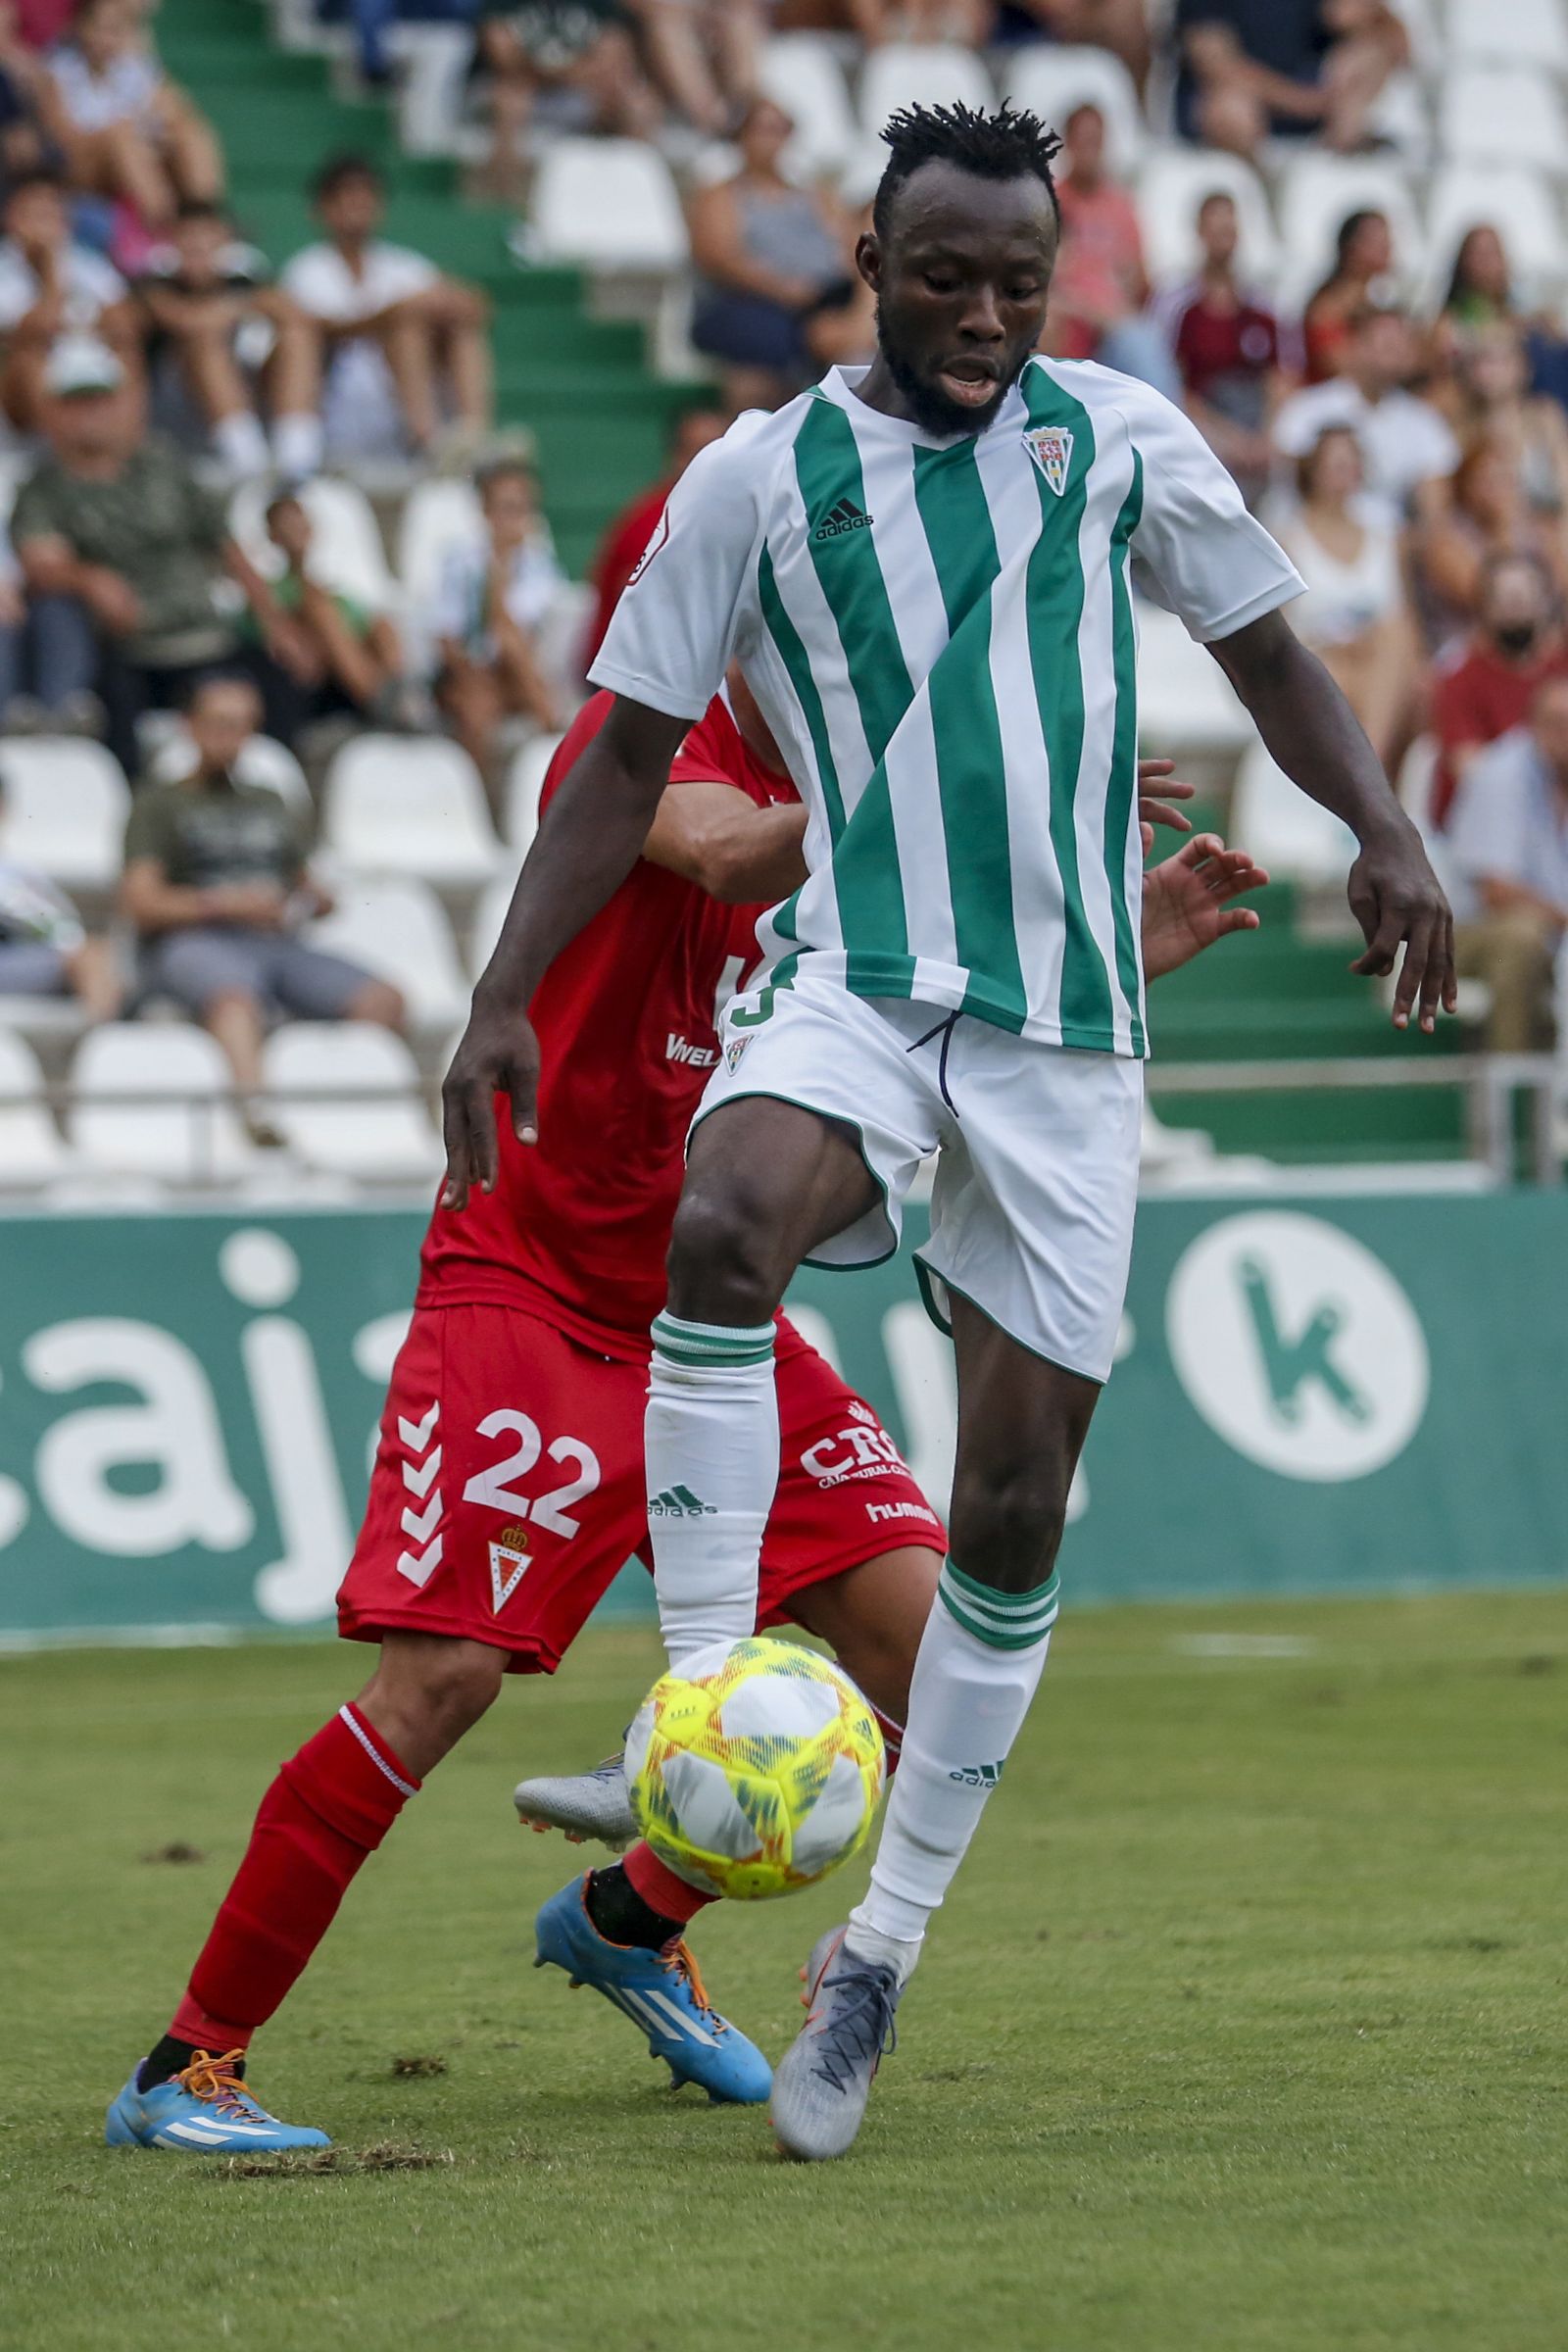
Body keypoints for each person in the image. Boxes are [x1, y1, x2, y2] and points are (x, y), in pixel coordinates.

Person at [441, 101, 1453, 2164]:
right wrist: (490, 1003)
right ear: (868, 257)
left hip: (1067, 1033)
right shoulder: (756, 475)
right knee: (723, 1224)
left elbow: (1265, 650)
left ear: (1056, 268)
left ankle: (875, 1956)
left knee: (1008, 1509)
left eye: (1018, 277)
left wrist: (1384, 828)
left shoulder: (1120, 438)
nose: (983, 313)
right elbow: (625, 759)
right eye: (942, 274)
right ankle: (700, 1704)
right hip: (854, 971)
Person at [102, 657, 1271, 2151]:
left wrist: (1109, 956)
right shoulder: (643, 742)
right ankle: (186, 2066)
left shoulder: (857, 809)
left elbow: (941, 1016)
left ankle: (629, 1917)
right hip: (529, 1286)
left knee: (938, 1656)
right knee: (438, 1685)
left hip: (712, 1322)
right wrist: (940, 776)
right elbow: (721, 849)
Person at [118, 673, 404, 1136]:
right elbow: (141, 902)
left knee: (383, 1000)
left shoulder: (270, 801)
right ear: (189, 726)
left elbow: (307, 883)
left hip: (277, 940)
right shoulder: (158, 804)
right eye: (219, 723)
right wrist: (226, 905)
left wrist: (314, 900)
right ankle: (256, 1112)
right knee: (234, 997)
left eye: (241, 725)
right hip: (194, 940)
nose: (230, 737)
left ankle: (351, 1122)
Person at [8, 334, 305, 774]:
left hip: (204, 636)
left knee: (281, 684)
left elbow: (225, 545)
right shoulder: (44, 489)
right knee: (113, 717)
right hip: (128, 646)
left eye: (99, 399)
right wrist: (89, 579)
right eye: (76, 402)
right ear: (52, 411)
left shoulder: (165, 465)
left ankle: (278, 804)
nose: (90, 413)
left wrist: (273, 621)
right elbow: (38, 564)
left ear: (121, 403)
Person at [280, 154, 491, 465]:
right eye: (346, 197)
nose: (358, 206)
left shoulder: (404, 265)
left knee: (457, 329)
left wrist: (456, 301)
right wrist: (394, 315)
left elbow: (477, 308)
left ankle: (470, 438)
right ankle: (425, 439)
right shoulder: (306, 269)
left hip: (394, 407)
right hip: (336, 407)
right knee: (404, 327)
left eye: (366, 197)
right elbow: (322, 328)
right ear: (322, 208)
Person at [135, 200, 323, 482]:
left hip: (245, 394)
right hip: (175, 405)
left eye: (207, 237)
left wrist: (234, 306)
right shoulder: (156, 282)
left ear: (223, 241)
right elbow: (185, 320)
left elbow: (292, 311)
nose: (198, 245)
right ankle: (246, 460)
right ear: (173, 242)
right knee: (205, 342)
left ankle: (297, 454)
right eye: (188, 237)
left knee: (297, 336)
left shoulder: (243, 278)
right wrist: (236, 309)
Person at [688, 96, 855, 415]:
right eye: (763, 129)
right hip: (748, 303)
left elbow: (848, 247)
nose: (772, 139)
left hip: (820, 300)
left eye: (779, 129)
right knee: (764, 349)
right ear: (742, 136)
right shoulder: (722, 196)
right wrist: (784, 289)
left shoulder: (817, 196)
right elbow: (719, 258)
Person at [1276, 424, 1416, 773]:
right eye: (1336, 463)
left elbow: (1405, 619)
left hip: (1380, 658)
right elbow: (1278, 630)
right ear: (1313, 470)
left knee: (1396, 636)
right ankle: (1375, 780)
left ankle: (1368, 774)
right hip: (1319, 657)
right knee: (1342, 677)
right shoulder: (1286, 537)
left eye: (1352, 463)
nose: (1346, 471)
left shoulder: (1387, 537)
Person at [244, 490, 419, 751]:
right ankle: (389, 704)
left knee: (382, 624)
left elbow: (361, 631)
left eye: (300, 523)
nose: (296, 531)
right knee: (320, 611)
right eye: (287, 525)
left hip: (344, 679)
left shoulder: (333, 594)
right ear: (273, 536)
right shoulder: (267, 595)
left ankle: (395, 694)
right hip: (307, 685)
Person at [1447, 675, 1568, 1054]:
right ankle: (1513, 1087)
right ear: (1532, 724)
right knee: (1521, 939)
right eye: (1556, 723)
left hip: (1553, 929)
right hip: (1468, 934)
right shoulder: (1500, 774)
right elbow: (1496, 891)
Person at [430, 454, 566, 782]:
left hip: (513, 674)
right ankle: (553, 727)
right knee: (477, 706)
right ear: (486, 512)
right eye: (506, 508)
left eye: (521, 509)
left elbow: (515, 634)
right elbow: (447, 639)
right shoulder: (458, 561)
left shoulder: (538, 564)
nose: (515, 519)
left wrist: (497, 578)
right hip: (469, 673)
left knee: (509, 650)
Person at [41, 0, 223, 237]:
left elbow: (174, 112)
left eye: (116, 30)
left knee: (191, 133)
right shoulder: (57, 72)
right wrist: (118, 135)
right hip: (82, 168)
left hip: (136, 157)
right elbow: (63, 139)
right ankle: (164, 227)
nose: (106, 39)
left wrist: (157, 136)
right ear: (80, 27)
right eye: (100, 28)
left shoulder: (136, 69)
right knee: (122, 135)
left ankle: (207, 218)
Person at [1157, 188, 1293, 508]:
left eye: (1229, 230)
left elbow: (1281, 379)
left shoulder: (1262, 307)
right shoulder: (1177, 305)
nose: (1223, 238)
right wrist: (1229, 440)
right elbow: (1170, 382)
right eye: (1215, 230)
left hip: (1256, 422)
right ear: (1199, 234)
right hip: (1203, 422)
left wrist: (1266, 438)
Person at [1274, 303, 1459, 528]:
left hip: (1391, 546)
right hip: (1311, 535)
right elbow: (1289, 486)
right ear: (1356, 345)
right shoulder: (1307, 410)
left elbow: (1436, 510)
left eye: (1401, 343)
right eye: (1385, 342)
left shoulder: (1424, 421)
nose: (1394, 351)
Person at [580, 397, 727, 672]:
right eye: (698, 451)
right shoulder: (649, 523)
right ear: (675, 456)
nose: (711, 464)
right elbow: (643, 625)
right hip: (628, 680)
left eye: (719, 452)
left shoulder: (731, 515)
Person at [1045, 102, 1178, 401]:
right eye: (1083, 140)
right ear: (1068, 143)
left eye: (1097, 141)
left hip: (1116, 328)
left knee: (1143, 336)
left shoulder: (1121, 204)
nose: (1091, 150)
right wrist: (1094, 311)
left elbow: (1141, 280)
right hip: (1071, 318)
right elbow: (1041, 278)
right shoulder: (1049, 201)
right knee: (1138, 340)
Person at [467, 2, 659, 208]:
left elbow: (613, 54)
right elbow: (500, 52)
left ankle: (629, 201)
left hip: (582, 91)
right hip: (525, 89)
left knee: (639, 105)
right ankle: (502, 203)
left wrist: (556, 71)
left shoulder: (601, 5)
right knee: (509, 103)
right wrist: (557, 71)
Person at [1430, 553, 1568, 831]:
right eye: (1505, 601)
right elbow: (1468, 769)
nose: (1516, 610)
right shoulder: (1459, 680)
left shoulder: (1562, 668)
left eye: (1525, 598)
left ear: (1546, 603)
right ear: (1483, 609)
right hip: (1489, 823)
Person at [0, 165, 137, 431]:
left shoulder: (86, 262)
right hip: (19, 384)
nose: (42, 226)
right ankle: (56, 459)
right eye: (33, 215)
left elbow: (125, 326)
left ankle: (121, 457)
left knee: (127, 358)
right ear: (11, 219)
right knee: (31, 358)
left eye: (50, 215)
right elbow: (36, 331)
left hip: (82, 358)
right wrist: (50, 270)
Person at [1417, 440, 1568, 656]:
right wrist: (1503, 530)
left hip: (1537, 644)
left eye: (1504, 478)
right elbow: (1491, 600)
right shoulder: (1446, 542)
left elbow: (1562, 585)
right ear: (1465, 488)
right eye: (1486, 480)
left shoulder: (1538, 530)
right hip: (1468, 649)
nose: (1498, 489)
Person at [0, 777, 119, 1013]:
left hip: (21, 962)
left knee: (94, 955)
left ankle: (102, 1042)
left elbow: (65, 935)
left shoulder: (21, 873)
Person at [1301, 207, 1396, 385]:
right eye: (1376, 239)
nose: (1388, 245)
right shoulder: (1328, 308)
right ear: (1350, 247)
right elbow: (1335, 364)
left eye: (1387, 237)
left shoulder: (1373, 302)